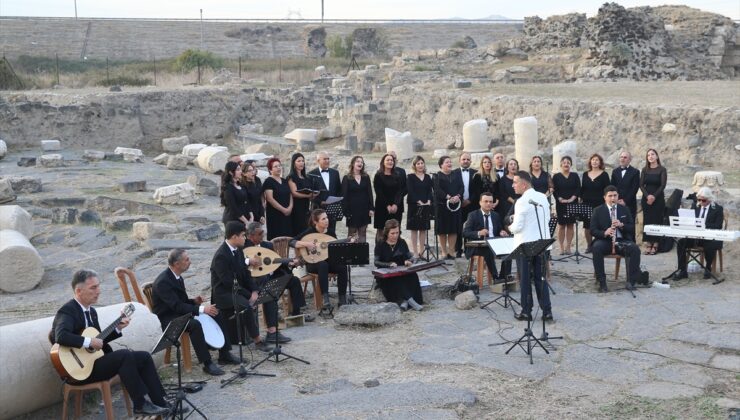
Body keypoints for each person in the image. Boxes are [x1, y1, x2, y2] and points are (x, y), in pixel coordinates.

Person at [51, 270, 170, 416]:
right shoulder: (68, 310)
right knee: (124, 355)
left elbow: (99, 341)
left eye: (98, 286)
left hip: (92, 362)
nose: (98, 291)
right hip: (79, 370)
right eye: (93, 288)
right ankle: (140, 404)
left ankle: (161, 403)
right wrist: (89, 341)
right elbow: (61, 336)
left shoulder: (92, 312)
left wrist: (117, 328)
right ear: (79, 291)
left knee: (144, 357)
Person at [151, 249, 240, 376]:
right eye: (186, 259)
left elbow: (181, 302)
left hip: (178, 312)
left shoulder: (176, 276)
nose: (190, 262)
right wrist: (202, 309)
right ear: (176, 264)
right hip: (168, 319)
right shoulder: (163, 282)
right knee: (194, 325)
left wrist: (194, 301)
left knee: (216, 312)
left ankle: (224, 354)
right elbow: (176, 306)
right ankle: (207, 363)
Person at [210, 221, 273, 352]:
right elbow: (228, 283)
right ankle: (257, 340)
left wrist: (255, 290)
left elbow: (246, 274)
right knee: (246, 306)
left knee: (268, 294)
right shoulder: (221, 256)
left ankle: (272, 330)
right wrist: (249, 296)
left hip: (237, 289)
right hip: (224, 294)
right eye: (243, 235)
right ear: (234, 237)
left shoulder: (238, 251)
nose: (245, 238)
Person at [243, 222, 315, 322]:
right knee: (268, 284)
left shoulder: (268, 245)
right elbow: (239, 263)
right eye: (259, 234)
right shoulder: (244, 248)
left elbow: (275, 261)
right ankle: (272, 314)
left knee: (294, 280)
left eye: (263, 232)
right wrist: (248, 261)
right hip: (257, 280)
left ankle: (296, 314)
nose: (262, 235)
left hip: (273, 276)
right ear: (251, 236)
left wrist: (289, 262)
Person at [508, 171, 553, 322]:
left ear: (524, 184)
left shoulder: (521, 201)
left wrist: (510, 225)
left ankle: (526, 311)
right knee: (541, 278)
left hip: (525, 246)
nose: (513, 185)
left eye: (515, 182)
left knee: (526, 279)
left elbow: (518, 227)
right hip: (542, 244)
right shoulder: (542, 197)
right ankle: (547, 312)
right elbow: (546, 219)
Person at [291, 209, 351, 307]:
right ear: (315, 222)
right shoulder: (310, 232)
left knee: (342, 266)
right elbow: (292, 242)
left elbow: (336, 251)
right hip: (312, 263)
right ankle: (325, 298)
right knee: (323, 264)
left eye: (326, 218)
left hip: (328, 262)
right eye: (323, 219)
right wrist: (307, 244)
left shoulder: (330, 233)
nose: (327, 220)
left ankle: (342, 299)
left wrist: (347, 242)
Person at [590, 186, 643, 292]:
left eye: (615, 195)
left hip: (621, 240)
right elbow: (593, 230)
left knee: (635, 249)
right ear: (605, 197)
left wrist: (621, 225)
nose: (613, 198)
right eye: (610, 196)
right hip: (605, 241)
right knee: (596, 248)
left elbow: (632, 227)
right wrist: (605, 232)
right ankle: (602, 282)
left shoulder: (624, 209)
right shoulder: (598, 210)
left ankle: (631, 282)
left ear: (618, 196)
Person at [672, 187, 724, 280]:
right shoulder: (696, 206)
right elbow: (690, 220)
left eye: (703, 200)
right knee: (681, 243)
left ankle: (708, 268)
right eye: (699, 199)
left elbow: (718, 225)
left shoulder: (717, 209)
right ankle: (682, 270)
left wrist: (702, 223)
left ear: (709, 199)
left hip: (710, 237)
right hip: (695, 236)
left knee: (710, 245)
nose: (700, 202)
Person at [373, 219, 424, 311]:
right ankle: (410, 301)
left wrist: (409, 261)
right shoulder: (380, 244)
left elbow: (411, 257)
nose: (395, 235)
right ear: (387, 233)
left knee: (413, 275)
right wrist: (388, 264)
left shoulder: (402, 242)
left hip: (401, 271)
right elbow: (376, 262)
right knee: (396, 280)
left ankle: (405, 301)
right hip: (386, 274)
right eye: (392, 233)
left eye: (397, 233)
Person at [462, 192, 510, 280]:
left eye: (491, 202)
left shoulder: (496, 215)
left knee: (508, 251)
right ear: (480, 202)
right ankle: (495, 277)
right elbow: (465, 232)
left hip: (494, 243)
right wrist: (479, 233)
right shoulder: (473, 215)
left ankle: (504, 276)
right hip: (477, 246)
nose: (488, 204)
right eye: (486, 201)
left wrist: (502, 232)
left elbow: (500, 229)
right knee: (487, 250)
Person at [433, 155, 463, 260]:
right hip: (442, 206)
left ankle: (451, 251)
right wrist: (448, 197)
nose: (449, 163)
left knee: (453, 229)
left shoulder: (457, 174)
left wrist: (457, 196)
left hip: (455, 205)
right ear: (441, 165)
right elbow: (437, 189)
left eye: (450, 162)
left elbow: (461, 187)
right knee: (442, 230)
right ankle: (444, 251)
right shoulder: (437, 176)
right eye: (447, 162)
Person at [580, 153, 611, 253]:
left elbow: (607, 190)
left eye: (597, 160)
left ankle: (598, 246)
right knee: (587, 226)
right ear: (590, 162)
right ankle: (589, 246)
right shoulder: (585, 174)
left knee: (600, 226)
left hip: (600, 204)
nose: (595, 161)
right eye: (593, 160)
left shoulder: (604, 174)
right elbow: (582, 189)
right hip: (587, 204)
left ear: (600, 162)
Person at [640, 148, 667, 255]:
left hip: (658, 198)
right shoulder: (644, 170)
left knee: (657, 220)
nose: (650, 156)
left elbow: (662, 185)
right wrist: (647, 196)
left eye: (652, 154)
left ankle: (655, 243)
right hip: (646, 199)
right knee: (647, 221)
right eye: (648, 155)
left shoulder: (662, 169)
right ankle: (648, 243)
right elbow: (641, 185)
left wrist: (654, 197)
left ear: (657, 156)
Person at [341, 155, 374, 243]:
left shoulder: (366, 177)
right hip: (352, 210)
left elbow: (370, 193)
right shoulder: (347, 178)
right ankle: (350, 255)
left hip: (364, 209)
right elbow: (344, 196)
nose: (360, 163)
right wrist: (346, 211)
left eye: (362, 162)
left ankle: (362, 255)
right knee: (352, 234)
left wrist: (371, 208)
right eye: (358, 161)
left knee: (363, 232)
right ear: (353, 164)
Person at [406, 156, 433, 258]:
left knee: (423, 229)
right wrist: (419, 201)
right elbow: (410, 191)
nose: (420, 165)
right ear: (414, 165)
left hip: (425, 206)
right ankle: (415, 252)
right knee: (414, 229)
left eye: (422, 163)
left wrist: (429, 200)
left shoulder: (427, 177)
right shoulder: (410, 177)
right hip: (414, 205)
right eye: (418, 163)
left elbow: (430, 190)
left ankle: (422, 251)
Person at [552, 156, 580, 255]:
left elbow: (578, 188)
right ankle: (561, 247)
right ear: (561, 164)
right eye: (564, 162)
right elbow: (554, 190)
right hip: (561, 204)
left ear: (571, 165)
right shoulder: (556, 177)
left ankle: (568, 246)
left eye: (568, 162)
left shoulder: (575, 176)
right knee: (561, 225)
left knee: (570, 225)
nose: (566, 164)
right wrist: (559, 198)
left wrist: (572, 198)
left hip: (573, 203)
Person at [373, 153, 405, 241]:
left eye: (391, 160)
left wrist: (395, 204)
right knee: (381, 230)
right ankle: (379, 252)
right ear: (383, 162)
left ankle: (394, 252)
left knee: (395, 230)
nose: (390, 161)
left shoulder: (397, 175)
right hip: (382, 207)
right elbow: (379, 192)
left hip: (395, 207)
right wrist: (387, 205)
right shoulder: (378, 175)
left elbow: (400, 191)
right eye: (388, 160)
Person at [309, 151, 342, 232]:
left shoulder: (335, 173)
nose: (327, 161)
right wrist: (320, 202)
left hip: (332, 208)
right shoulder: (311, 174)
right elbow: (310, 193)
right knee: (317, 232)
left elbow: (339, 190)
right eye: (324, 159)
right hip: (318, 208)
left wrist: (337, 201)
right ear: (318, 161)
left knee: (331, 231)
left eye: (328, 159)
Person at [453, 152, 478, 258]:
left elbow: (478, 190)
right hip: (458, 204)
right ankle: (458, 249)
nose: (465, 161)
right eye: (463, 159)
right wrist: (459, 200)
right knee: (458, 226)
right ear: (459, 161)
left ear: (471, 161)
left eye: (468, 159)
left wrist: (469, 200)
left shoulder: (476, 173)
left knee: (470, 227)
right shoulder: (454, 173)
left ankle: (469, 249)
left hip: (471, 204)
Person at [263, 157, 293, 240]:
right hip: (275, 213)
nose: (278, 168)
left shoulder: (284, 181)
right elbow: (270, 199)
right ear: (270, 169)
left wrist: (290, 207)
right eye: (275, 166)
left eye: (279, 166)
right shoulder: (268, 181)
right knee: (277, 239)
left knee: (287, 238)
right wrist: (283, 210)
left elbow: (290, 194)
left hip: (287, 213)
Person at [287, 153, 316, 236]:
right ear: (294, 163)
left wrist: (314, 194)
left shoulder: (306, 178)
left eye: (303, 161)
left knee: (307, 231)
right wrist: (308, 196)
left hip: (306, 207)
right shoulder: (291, 177)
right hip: (296, 208)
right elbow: (294, 193)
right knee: (299, 232)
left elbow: (310, 191)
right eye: (298, 161)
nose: (301, 163)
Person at [610, 151, 640, 219]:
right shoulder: (615, 171)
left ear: (629, 160)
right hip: (615, 202)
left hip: (629, 204)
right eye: (621, 157)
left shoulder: (635, 172)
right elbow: (612, 187)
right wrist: (616, 199)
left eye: (625, 157)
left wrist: (625, 201)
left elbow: (634, 188)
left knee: (629, 226)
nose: (622, 159)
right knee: (614, 224)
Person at [220, 161, 250, 227]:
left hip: (244, 218)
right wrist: (246, 221)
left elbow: (246, 201)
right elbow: (233, 207)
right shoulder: (228, 187)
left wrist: (251, 215)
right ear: (231, 172)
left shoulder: (240, 184)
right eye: (238, 170)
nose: (241, 172)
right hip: (233, 220)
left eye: (240, 169)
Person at [497, 158, 521, 223]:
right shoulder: (503, 179)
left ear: (517, 167)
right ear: (507, 167)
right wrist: (514, 202)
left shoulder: (521, 178)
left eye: (515, 164)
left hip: (520, 204)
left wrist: (518, 202)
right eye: (511, 164)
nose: (513, 166)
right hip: (507, 205)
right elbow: (503, 193)